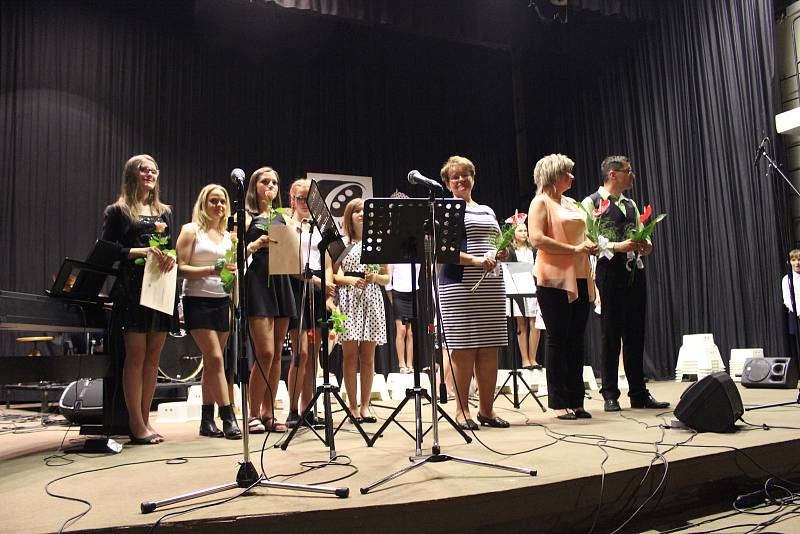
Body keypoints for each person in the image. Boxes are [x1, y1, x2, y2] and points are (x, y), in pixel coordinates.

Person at [581, 155, 669, 412]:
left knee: (635, 333)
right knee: (611, 334)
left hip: (634, 272)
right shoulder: (591, 203)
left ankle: (638, 392)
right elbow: (588, 241)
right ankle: (610, 393)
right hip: (609, 273)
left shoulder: (630, 203)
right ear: (613, 174)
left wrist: (646, 246)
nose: (633, 175)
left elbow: (644, 235)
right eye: (628, 171)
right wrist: (618, 246)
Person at [101, 154, 176, 444]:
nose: (150, 174)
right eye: (144, 169)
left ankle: (146, 419)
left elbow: (168, 247)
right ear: (132, 174)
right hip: (132, 288)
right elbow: (107, 251)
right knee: (136, 355)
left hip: (159, 287)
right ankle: (135, 422)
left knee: (153, 357)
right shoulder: (118, 211)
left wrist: (169, 258)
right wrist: (140, 252)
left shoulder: (164, 212)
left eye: (154, 170)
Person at [438, 155, 510, 430]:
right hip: (459, 284)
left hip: (490, 284)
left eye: (465, 175)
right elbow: (443, 252)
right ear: (447, 184)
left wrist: (501, 252)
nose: (460, 180)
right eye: (454, 177)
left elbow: (494, 242)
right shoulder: (446, 210)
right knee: (463, 349)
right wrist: (476, 261)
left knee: (490, 348)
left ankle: (487, 411)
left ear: (473, 178)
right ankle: (462, 411)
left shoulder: (488, 210)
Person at [528, 153, 597, 420]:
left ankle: (576, 399)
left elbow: (582, 233)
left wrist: (589, 244)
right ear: (553, 176)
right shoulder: (540, 202)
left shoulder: (569, 202)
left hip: (580, 274)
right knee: (558, 338)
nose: (572, 177)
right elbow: (537, 239)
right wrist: (574, 249)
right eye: (567, 173)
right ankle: (559, 402)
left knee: (576, 339)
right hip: (554, 278)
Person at [176, 184, 241, 439]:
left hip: (221, 300)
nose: (219, 206)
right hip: (196, 300)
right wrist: (209, 270)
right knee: (215, 359)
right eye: (213, 201)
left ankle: (206, 420)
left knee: (212, 363)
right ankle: (228, 416)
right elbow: (180, 268)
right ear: (203, 204)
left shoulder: (229, 236)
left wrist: (230, 272)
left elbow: (230, 268)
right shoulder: (191, 231)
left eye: (222, 201)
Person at [243, 167, 297, 433]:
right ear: (254, 186)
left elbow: (292, 255)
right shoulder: (246, 217)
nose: (271, 186)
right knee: (263, 352)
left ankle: (268, 412)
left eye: (275, 182)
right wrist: (255, 245)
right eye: (265, 182)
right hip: (258, 282)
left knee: (277, 354)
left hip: (281, 281)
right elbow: (233, 255)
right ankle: (251, 413)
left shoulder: (281, 217)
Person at [330, 197, 389, 423]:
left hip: (372, 300)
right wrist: (349, 281)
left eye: (366, 210)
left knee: (368, 356)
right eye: (357, 211)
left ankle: (365, 406)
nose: (362, 214)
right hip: (348, 299)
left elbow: (386, 278)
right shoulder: (342, 244)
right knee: (350, 355)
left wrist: (374, 276)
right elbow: (332, 274)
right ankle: (352, 406)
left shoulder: (377, 243)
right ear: (349, 216)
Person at [284, 178, 330, 428]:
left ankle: (308, 408)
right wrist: (313, 279)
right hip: (298, 286)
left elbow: (328, 258)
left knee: (314, 353)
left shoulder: (319, 225)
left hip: (318, 288)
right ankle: (292, 409)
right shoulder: (286, 223)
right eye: (300, 198)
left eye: (310, 199)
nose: (305, 203)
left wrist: (327, 287)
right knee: (300, 353)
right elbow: (289, 262)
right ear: (292, 199)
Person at [506, 223, 542, 370]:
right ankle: (525, 359)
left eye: (525, 230)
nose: (523, 233)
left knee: (536, 323)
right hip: (517, 289)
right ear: (514, 234)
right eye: (520, 230)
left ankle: (533, 358)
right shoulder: (510, 251)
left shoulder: (533, 250)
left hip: (532, 289)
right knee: (522, 325)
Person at [388, 263, 419, 373]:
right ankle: (401, 364)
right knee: (401, 330)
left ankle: (410, 364)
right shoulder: (393, 257)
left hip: (412, 294)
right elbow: (388, 280)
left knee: (409, 331)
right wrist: (392, 300)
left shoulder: (414, 257)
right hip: (398, 294)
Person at [781, 249, 800, 356]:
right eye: (793, 260)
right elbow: (787, 300)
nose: (797, 262)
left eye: (799, 259)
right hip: (796, 315)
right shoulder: (787, 279)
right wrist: (798, 312)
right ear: (789, 262)